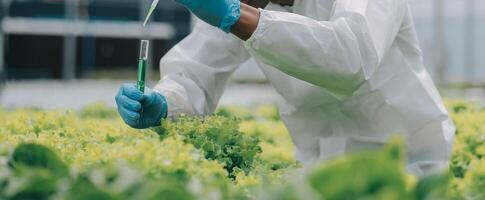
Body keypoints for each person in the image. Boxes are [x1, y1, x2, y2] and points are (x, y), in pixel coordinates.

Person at [115, 0, 455, 177]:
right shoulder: (249, 6)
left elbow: (350, 56)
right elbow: (194, 73)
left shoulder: (243, 13)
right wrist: (164, 102)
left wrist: (236, 17)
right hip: (319, 170)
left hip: (407, 167)